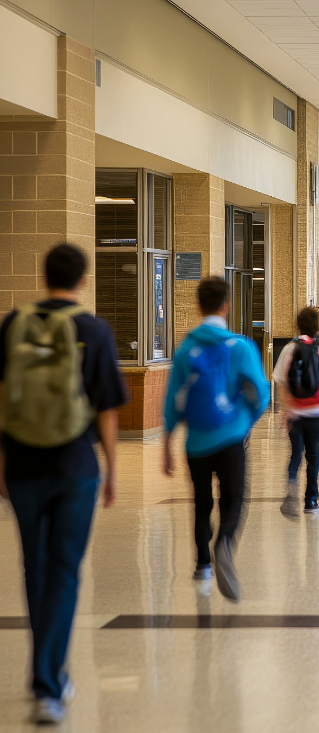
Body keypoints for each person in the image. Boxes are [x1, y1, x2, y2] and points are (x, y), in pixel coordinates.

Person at [0, 244, 127, 724]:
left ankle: (44, 675)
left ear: (43, 273)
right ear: (83, 279)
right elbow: (106, 410)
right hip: (75, 467)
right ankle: (50, 681)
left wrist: (1, 463)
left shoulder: (14, 324)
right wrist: (112, 470)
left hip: (23, 465)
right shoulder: (93, 329)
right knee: (66, 571)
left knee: (35, 567)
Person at [164, 275, 269, 597]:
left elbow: (172, 401)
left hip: (196, 441)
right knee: (234, 497)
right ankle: (224, 542)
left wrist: (166, 443)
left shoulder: (185, 349)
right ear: (226, 306)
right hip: (231, 436)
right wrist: (246, 420)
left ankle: (202, 564)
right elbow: (261, 393)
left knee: (201, 502)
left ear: (198, 305)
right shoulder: (241, 346)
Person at [273, 307, 319, 515]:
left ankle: (292, 481)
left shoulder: (289, 349)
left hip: (295, 412)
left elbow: (281, 381)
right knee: (313, 455)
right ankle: (311, 501)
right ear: (318, 328)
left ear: (297, 326)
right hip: (317, 413)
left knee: (296, 453)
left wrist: (286, 410)